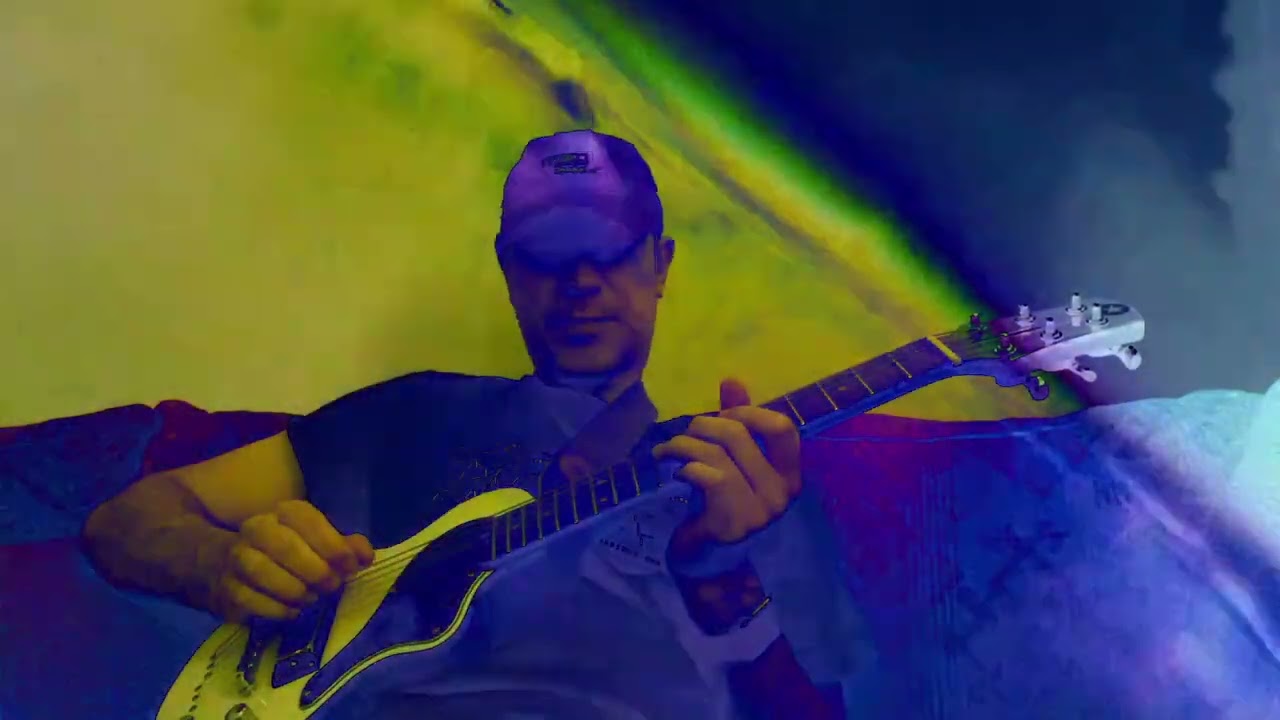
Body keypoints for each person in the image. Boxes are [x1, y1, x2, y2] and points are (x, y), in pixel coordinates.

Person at [83, 130, 854, 719]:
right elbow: (128, 520)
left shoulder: (743, 471)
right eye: (547, 255)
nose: (581, 282)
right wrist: (218, 563)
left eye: (611, 251)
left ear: (660, 263)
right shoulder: (411, 411)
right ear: (509, 272)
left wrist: (719, 574)